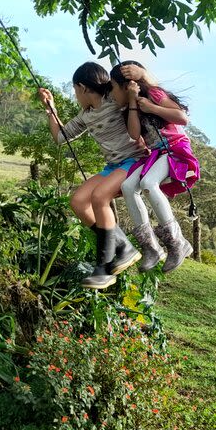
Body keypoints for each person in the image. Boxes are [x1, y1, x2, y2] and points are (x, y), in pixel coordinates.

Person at [38, 62, 147, 289]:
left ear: (83, 88)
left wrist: (139, 76)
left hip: (135, 161)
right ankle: (122, 245)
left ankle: (104, 267)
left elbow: (136, 93)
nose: (76, 95)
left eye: (75, 90)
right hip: (113, 166)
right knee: (78, 201)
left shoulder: (115, 100)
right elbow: (61, 138)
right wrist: (52, 111)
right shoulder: (86, 115)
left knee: (99, 197)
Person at [110, 61, 200, 273]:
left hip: (175, 149)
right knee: (128, 187)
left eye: (114, 87)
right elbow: (134, 134)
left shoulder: (155, 95)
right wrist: (132, 101)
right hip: (157, 155)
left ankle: (177, 242)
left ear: (125, 85)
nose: (113, 94)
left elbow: (181, 118)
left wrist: (151, 108)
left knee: (148, 183)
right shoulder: (129, 107)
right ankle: (151, 247)